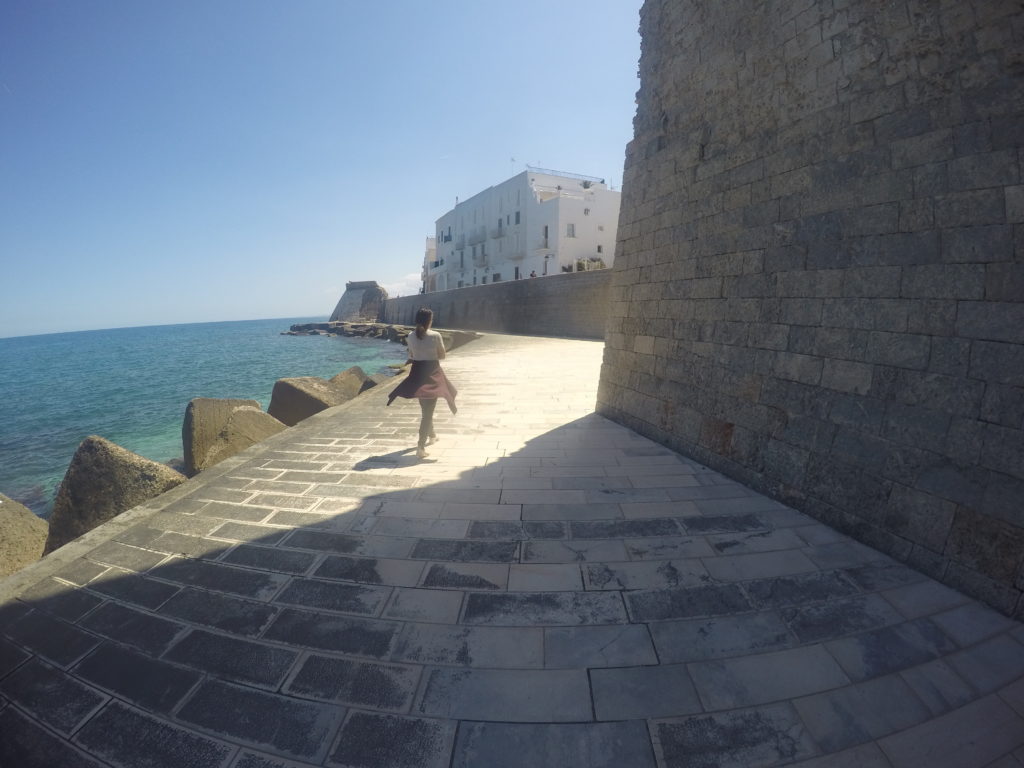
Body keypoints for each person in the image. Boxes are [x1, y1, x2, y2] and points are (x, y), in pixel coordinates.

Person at [386, 307, 457, 458]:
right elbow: (442, 356)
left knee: (426, 409)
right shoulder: (435, 335)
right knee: (428, 412)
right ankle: (420, 447)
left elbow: (411, 355)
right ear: (429, 321)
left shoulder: (410, 336)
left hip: (417, 373)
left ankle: (432, 436)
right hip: (432, 373)